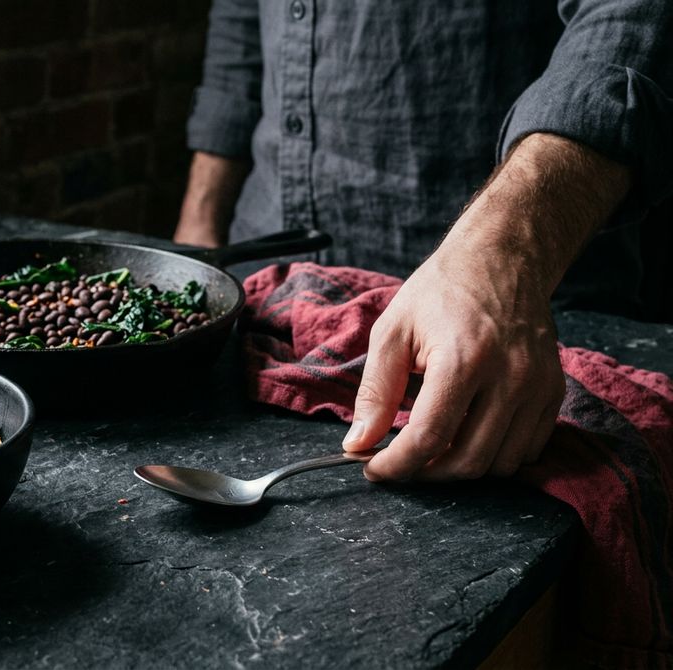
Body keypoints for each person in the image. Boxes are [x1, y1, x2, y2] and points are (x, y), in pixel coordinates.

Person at [174, 1, 672, 482]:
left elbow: (630, 16)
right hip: (264, 285)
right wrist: (200, 226)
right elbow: (239, 22)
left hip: (508, 311)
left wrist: (504, 254)